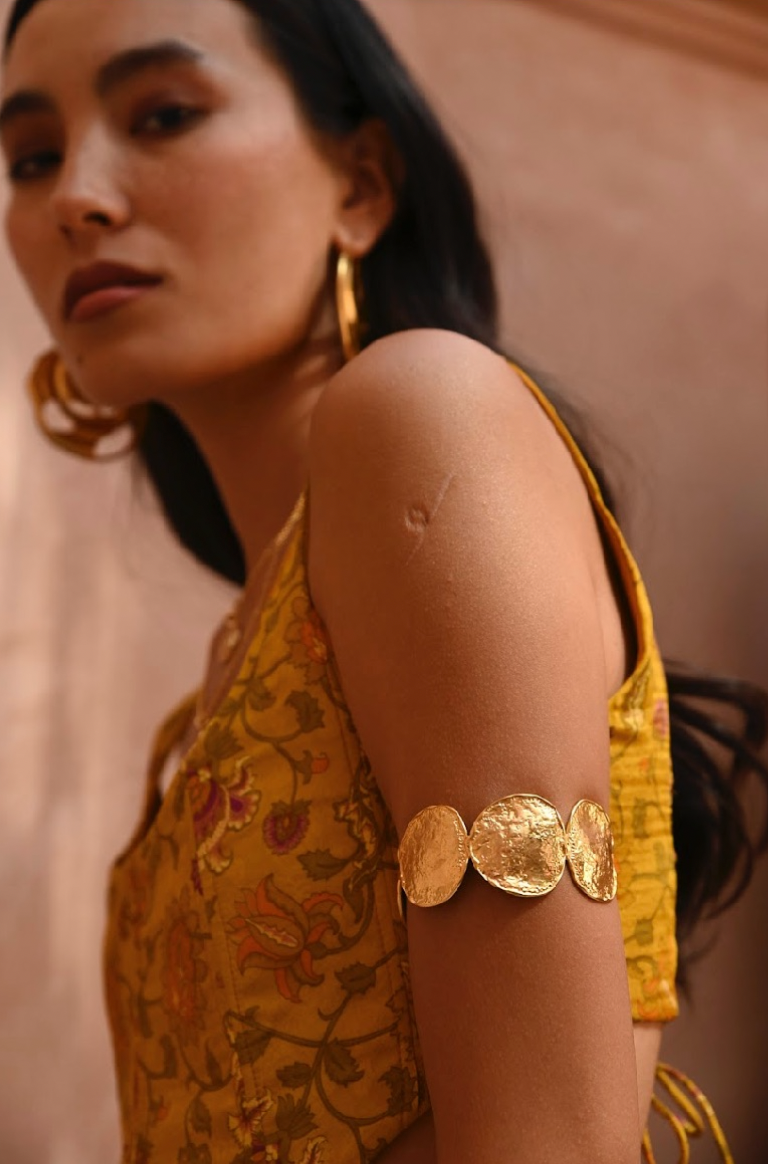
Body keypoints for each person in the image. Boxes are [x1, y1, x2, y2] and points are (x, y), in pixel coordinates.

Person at [2, 1, 766, 1161]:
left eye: (162, 115)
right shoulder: (227, 675)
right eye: (30, 157)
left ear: (360, 183)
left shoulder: (422, 411)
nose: (76, 197)